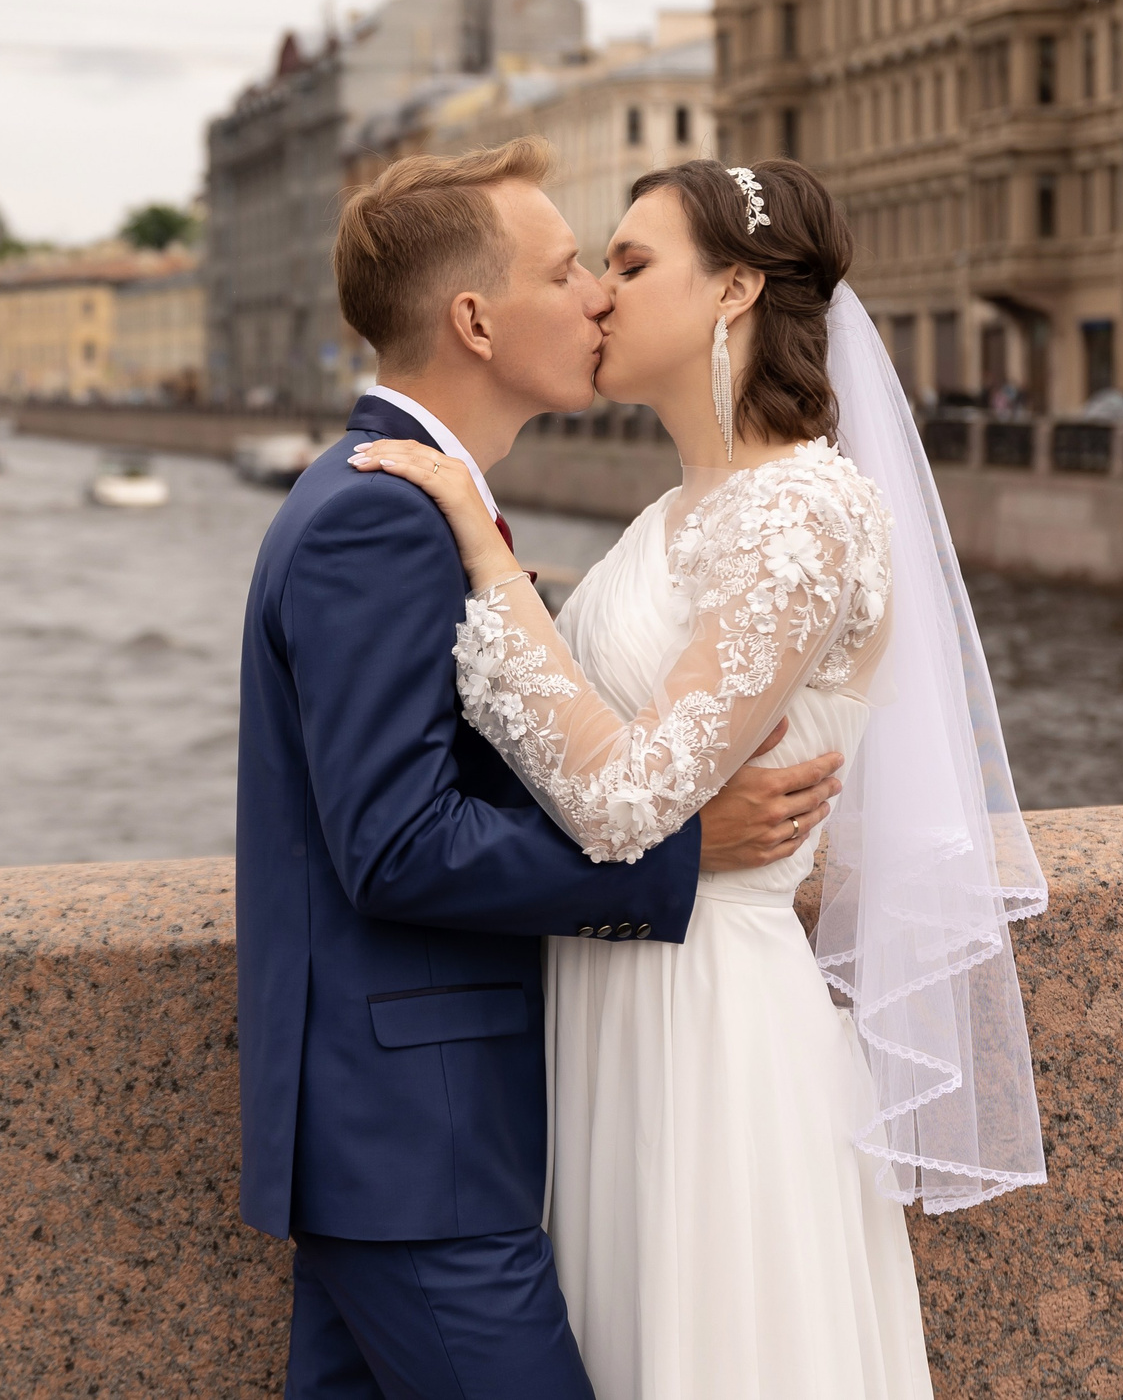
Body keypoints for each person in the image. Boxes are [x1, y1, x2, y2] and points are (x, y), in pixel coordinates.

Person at [353, 157, 1049, 1398]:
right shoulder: (671, 516)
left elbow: (624, 800)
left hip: (710, 1019)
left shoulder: (803, 514)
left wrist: (484, 550)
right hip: (611, 1001)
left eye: (628, 265)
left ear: (732, 289)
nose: (599, 299)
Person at [234, 138, 847, 1400]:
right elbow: (394, 843)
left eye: (617, 265)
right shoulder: (379, 515)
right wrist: (688, 850)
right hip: (420, 1134)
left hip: (443, 1121)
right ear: (473, 317)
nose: (596, 297)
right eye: (572, 267)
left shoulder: (417, 506)